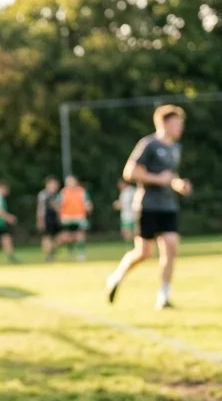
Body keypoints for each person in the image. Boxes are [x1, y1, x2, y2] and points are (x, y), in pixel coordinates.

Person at [105, 105, 192, 309]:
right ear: (164, 123)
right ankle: (117, 277)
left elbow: (169, 176)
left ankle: (163, 295)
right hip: (148, 205)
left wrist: (178, 185)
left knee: (171, 246)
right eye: (177, 123)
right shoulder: (149, 144)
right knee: (143, 252)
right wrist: (157, 179)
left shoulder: (175, 148)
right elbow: (130, 172)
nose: (180, 127)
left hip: (168, 205)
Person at [57, 175, 92, 261]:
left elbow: (87, 202)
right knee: (68, 237)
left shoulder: (81, 191)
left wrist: (89, 207)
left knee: (80, 235)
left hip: (79, 217)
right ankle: (70, 252)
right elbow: (58, 205)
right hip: (67, 218)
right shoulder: (63, 192)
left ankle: (81, 254)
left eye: (71, 181)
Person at [36, 176, 62, 261]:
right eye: (52, 184)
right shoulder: (43, 194)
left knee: (58, 237)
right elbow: (41, 209)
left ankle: (52, 253)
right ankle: (48, 256)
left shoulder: (57, 195)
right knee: (46, 237)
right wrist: (40, 221)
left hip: (55, 219)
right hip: (46, 218)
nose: (54, 186)